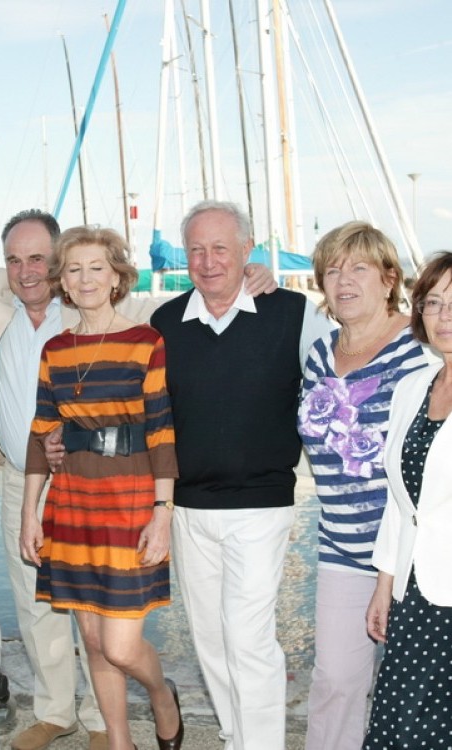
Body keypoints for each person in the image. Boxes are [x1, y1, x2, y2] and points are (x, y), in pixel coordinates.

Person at [0, 209, 274, 750]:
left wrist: (250, 276)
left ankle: (119, 714)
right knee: (44, 610)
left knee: (112, 634)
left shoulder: (123, 317)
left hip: (120, 492)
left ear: (76, 267)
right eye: (15, 260)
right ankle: (62, 716)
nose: (27, 270)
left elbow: (191, 309)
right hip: (33, 480)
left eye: (39, 259)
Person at [150, 200, 332, 750]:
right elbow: (147, 414)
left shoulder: (293, 313)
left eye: (220, 248)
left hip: (261, 504)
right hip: (189, 508)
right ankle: (237, 736)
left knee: (248, 638)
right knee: (209, 639)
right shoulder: (165, 323)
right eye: (196, 250)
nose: (208, 262)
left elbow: (342, 372)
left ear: (247, 251)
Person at [20, 226, 183, 750]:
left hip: (129, 502)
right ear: (62, 281)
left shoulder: (145, 341)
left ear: (116, 277)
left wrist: (163, 512)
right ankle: (119, 741)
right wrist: (29, 516)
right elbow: (41, 433)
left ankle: (161, 693)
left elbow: (161, 432)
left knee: (120, 646)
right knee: (91, 638)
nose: (85, 278)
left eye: (97, 268)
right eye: (74, 269)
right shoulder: (55, 349)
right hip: (71, 504)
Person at [298, 221, 430, 750]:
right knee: (334, 682)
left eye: (359, 268)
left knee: (415, 691)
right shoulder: (318, 354)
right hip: (341, 545)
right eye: (332, 270)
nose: (344, 280)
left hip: (414, 553)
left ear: (389, 278)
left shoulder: (420, 350)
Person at [362, 252, 452, 749]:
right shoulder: (413, 387)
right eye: (433, 303)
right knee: (401, 723)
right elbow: (402, 504)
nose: (444, 316)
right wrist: (385, 585)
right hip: (414, 594)